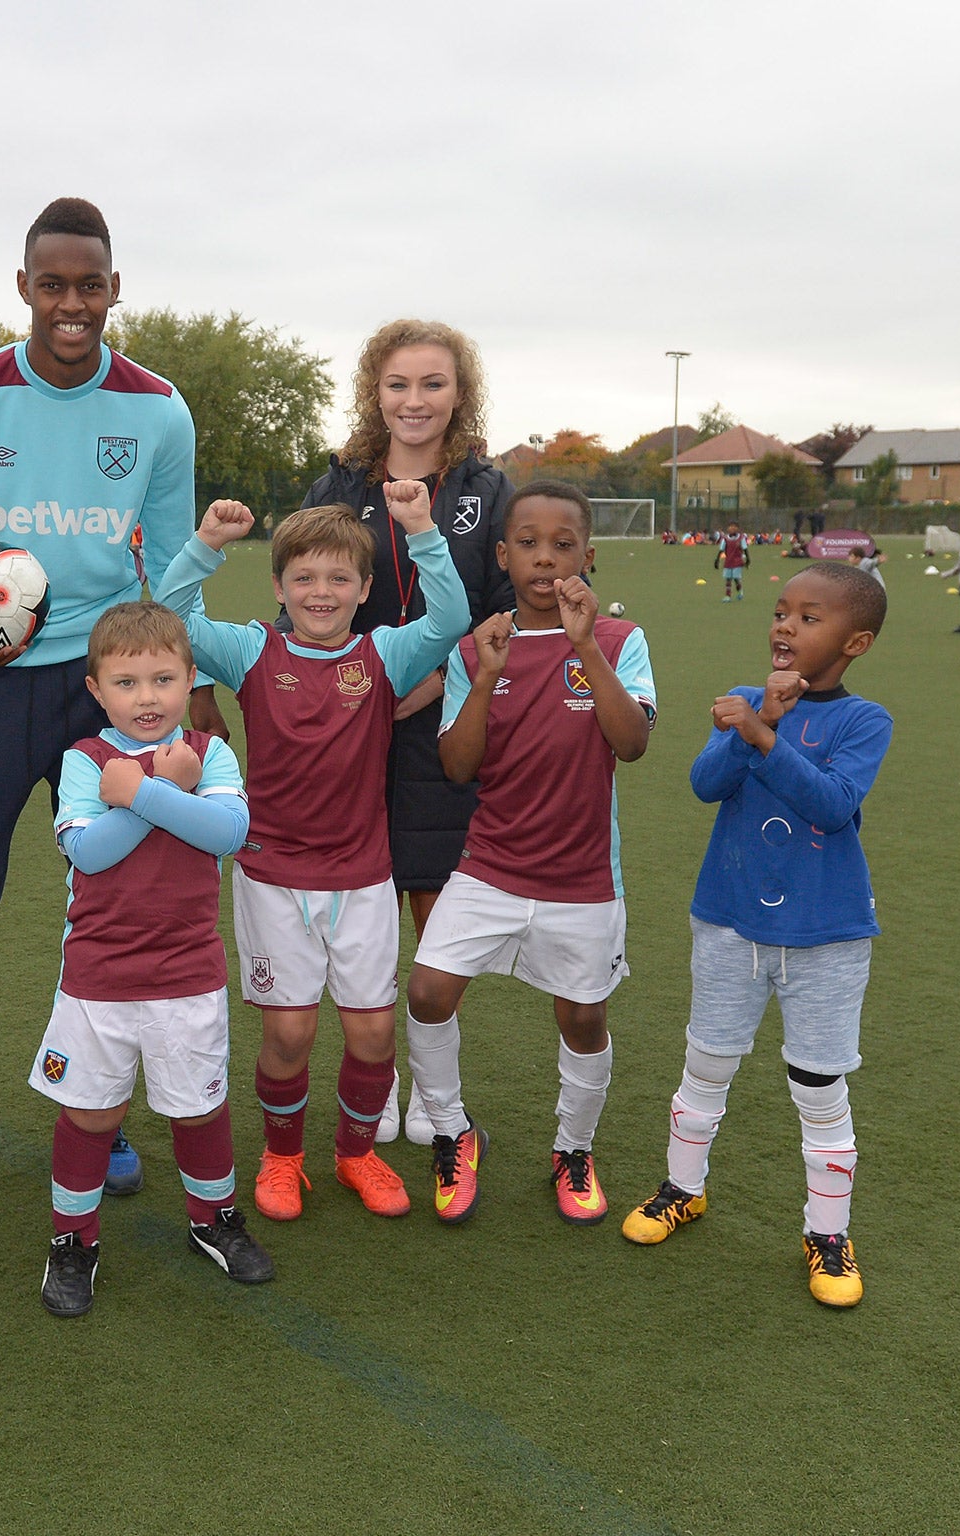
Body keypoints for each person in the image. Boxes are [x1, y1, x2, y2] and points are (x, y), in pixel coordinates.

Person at [0, 196, 220, 1207]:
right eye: (52, 285)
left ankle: (97, 1111)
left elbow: (170, 566)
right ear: (24, 288)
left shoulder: (157, 410)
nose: (70, 304)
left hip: (108, 691)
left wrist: (187, 686)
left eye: (89, 286)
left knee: (116, 901)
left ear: (113, 290)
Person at [156, 486, 469, 1222]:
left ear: (364, 590)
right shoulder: (251, 649)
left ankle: (356, 1153)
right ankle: (283, 1154)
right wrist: (205, 542)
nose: (320, 593)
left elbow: (452, 619)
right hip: (272, 875)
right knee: (289, 1032)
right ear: (278, 586)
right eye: (303, 578)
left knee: (372, 1031)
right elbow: (174, 617)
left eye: (337, 580)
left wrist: (421, 528)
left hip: (363, 877)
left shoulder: (383, 651)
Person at [622, 562, 891, 1309]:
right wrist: (752, 724)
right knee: (706, 1063)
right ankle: (683, 1188)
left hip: (826, 935)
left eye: (810, 618)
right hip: (730, 922)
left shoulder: (864, 721)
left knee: (817, 1084)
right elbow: (707, 784)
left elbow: (833, 805)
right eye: (781, 612)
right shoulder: (745, 700)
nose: (784, 626)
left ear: (855, 642)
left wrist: (766, 736)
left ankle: (826, 1234)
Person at [404, 481, 656, 1228]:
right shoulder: (476, 644)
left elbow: (632, 743)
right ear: (504, 553)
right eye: (529, 543)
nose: (545, 558)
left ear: (588, 553)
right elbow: (458, 766)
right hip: (490, 866)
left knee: (582, 1017)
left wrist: (584, 646)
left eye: (563, 543)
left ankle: (572, 1149)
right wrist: (484, 675)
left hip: (581, 878)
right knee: (427, 992)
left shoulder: (617, 639)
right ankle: (453, 1133)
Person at [296, 319, 515, 1147]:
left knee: (435, 918)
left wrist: (418, 690)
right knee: (360, 917)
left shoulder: (484, 491)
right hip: (349, 725)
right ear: (373, 392)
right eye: (398, 384)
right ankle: (373, 1086)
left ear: (459, 392)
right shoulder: (339, 483)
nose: (414, 400)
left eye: (432, 384)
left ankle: (435, 1093)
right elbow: (306, 594)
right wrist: (346, 695)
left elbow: (502, 612)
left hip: (440, 725)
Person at [33, 602, 270, 1317]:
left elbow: (227, 831)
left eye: (163, 679)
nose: (147, 697)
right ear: (96, 688)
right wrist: (158, 792)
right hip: (99, 980)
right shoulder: (85, 759)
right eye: (127, 682)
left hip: (187, 973)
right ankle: (73, 1240)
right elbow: (90, 850)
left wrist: (143, 791)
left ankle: (213, 1220)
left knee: (198, 1110)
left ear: (191, 679)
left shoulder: (209, 752)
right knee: (91, 1116)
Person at [714, 521, 749, 600]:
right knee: (728, 579)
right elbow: (721, 550)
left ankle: (740, 591)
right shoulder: (725, 539)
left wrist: (748, 560)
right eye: (730, 526)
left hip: (737, 561)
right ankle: (728, 595)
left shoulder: (741, 538)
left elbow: (745, 549)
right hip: (728, 561)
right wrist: (717, 560)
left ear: (738, 529)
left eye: (734, 526)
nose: (732, 528)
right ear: (728, 528)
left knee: (736, 578)